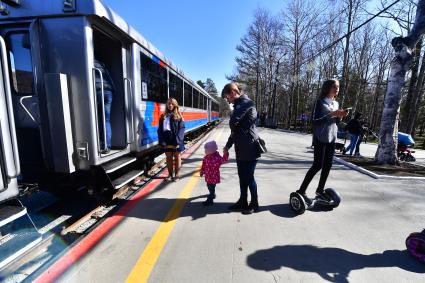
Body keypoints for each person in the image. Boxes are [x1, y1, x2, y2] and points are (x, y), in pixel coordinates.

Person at [296, 79, 349, 203]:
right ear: (327, 88)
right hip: (320, 137)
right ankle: (301, 190)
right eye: (334, 86)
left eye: (338, 87)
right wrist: (331, 114)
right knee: (317, 165)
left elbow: (336, 122)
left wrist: (343, 120)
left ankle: (320, 190)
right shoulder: (319, 102)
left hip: (332, 138)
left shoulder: (336, 103)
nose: (337, 89)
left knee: (328, 165)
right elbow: (314, 121)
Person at [222, 82, 261, 214]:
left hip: (250, 147)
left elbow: (233, 122)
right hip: (241, 147)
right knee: (242, 176)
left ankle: (254, 204)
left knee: (249, 177)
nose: (227, 100)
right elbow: (235, 130)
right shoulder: (239, 105)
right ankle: (243, 201)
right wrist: (228, 145)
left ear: (233, 93)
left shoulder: (246, 103)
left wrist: (233, 117)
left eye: (227, 97)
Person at [157, 98, 185, 181]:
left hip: (176, 140)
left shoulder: (179, 116)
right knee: (168, 158)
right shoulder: (163, 116)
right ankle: (169, 175)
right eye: (169, 103)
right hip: (167, 140)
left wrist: (178, 140)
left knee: (177, 157)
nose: (170, 105)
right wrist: (161, 140)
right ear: (167, 105)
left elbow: (182, 129)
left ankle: (177, 175)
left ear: (175, 105)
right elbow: (160, 130)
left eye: (172, 104)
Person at [200, 140, 229, 206]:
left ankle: (210, 200)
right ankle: (212, 194)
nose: (205, 151)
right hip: (208, 175)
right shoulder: (206, 157)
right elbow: (203, 165)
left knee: (211, 186)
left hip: (214, 176)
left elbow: (224, 160)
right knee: (209, 186)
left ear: (210, 150)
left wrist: (226, 153)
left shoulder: (217, 157)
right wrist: (202, 171)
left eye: (206, 150)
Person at [95, 59, 115, 153]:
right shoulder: (101, 63)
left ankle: (99, 144)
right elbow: (109, 78)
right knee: (106, 120)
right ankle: (107, 146)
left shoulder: (87, 60)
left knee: (97, 119)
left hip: (98, 90)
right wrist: (113, 90)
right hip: (108, 91)